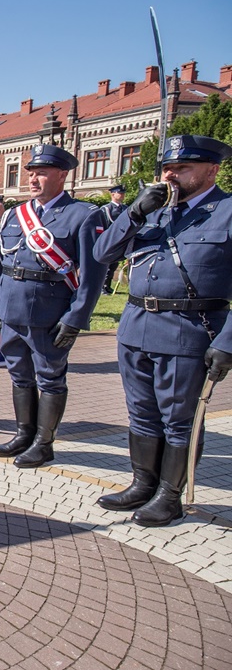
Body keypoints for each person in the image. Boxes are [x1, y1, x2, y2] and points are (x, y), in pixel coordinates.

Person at [93, 135, 232, 527]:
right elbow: (102, 254)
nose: (170, 175)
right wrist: (134, 213)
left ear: (211, 170)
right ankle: (142, 483)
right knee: (141, 414)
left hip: (189, 331)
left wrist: (228, 342)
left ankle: (170, 497)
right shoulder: (153, 212)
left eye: (182, 167)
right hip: (136, 327)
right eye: (167, 167)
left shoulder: (226, 211)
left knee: (180, 420)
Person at [0, 144, 108, 468]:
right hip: (10, 310)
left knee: (50, 378)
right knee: (18, 376)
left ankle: (44, 443)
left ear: (62, 175)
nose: (33, 179)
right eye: (30, 172)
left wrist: (76, 318)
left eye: (41, 172)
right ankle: (23, 434)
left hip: (49, 314)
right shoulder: (14, 214)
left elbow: (93, 276)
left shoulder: (83, 215)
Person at [100, 184, 126, 294]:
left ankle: (107, 285)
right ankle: (101, 287)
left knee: (114, 265)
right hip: (109, 241)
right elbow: (104, 225)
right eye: (120, 193)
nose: (122, 195)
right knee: (106, 265)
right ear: (113, 194)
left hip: (120, 240)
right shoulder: (106, 209)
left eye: (123, 193)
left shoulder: (125, 208)